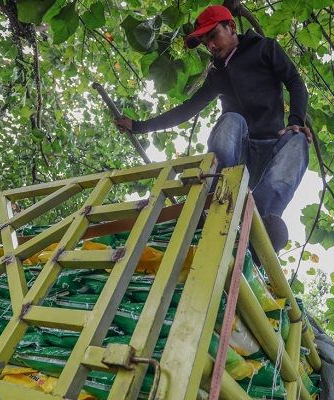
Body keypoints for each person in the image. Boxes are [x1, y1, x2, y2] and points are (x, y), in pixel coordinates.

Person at [115, 5, 310, 252]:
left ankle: (259, 218)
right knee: (232, 119)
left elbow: (294, 81)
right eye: (206, 42)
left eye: (213, 36)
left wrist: (296, 121)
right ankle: (218, 192)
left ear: (231, 27)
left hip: (272, 148)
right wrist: (140, 126)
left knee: (299, 139)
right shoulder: (217, 73)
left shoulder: (265, 47)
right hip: (239, 157)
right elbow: (187, 108)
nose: (211, 46)